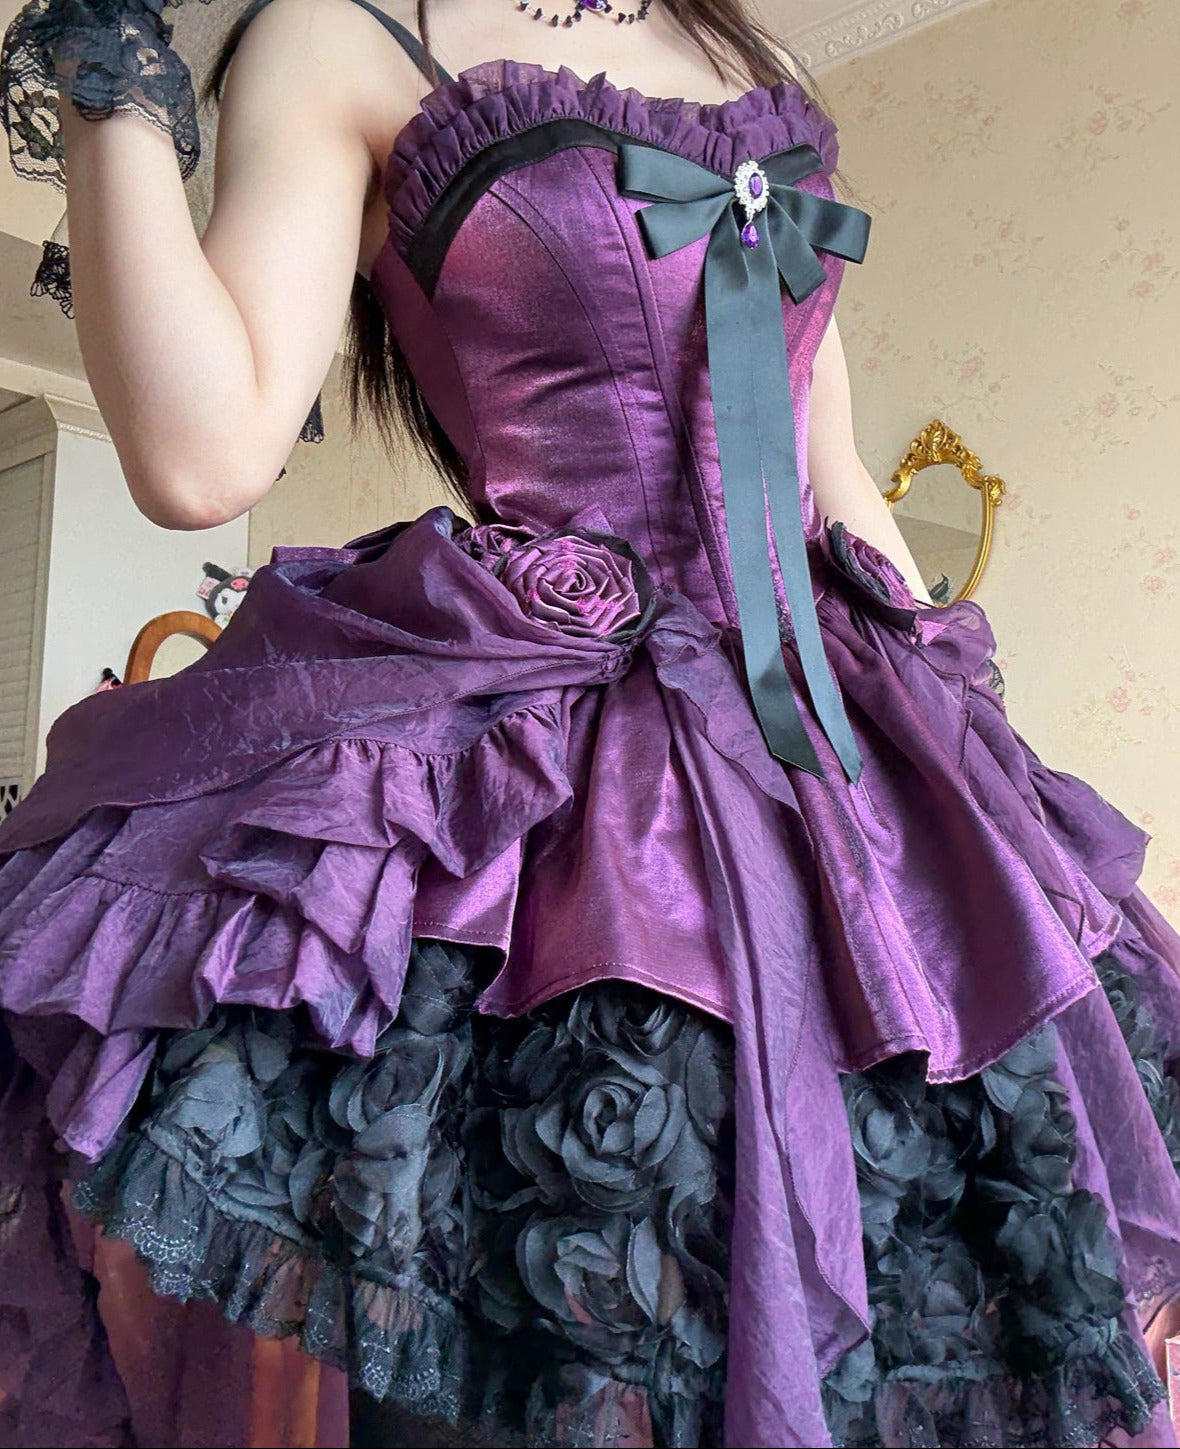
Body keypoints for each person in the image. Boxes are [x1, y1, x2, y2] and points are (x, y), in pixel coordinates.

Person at [1, 1, 1179, 1445]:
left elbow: (828, 470)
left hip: (843, 752)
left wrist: (964, 757)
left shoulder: (746, 65)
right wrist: (108, 62)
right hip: (569, 780)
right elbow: (202, 457)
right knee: (568, 1322)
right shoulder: (347, 36)